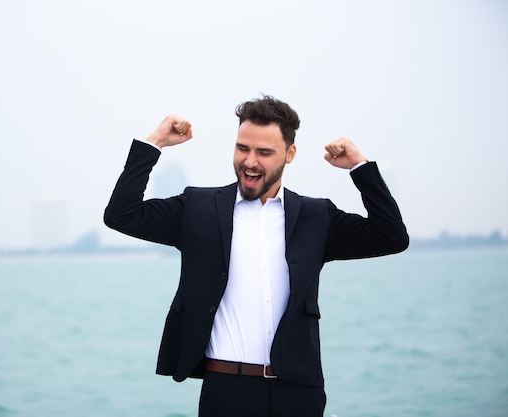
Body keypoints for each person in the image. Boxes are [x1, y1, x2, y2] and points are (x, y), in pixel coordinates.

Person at [104, 95, 408, 417]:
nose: (250, 161)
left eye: (264, 153)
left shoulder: (317, 218)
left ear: (290, 154)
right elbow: (122, 215)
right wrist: (155, 143)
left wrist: (359, 168)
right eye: (242, 148)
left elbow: (391, 237)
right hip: (226, 390)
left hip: (299, 392)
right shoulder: (197, 209)